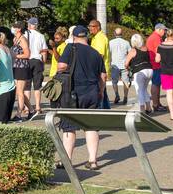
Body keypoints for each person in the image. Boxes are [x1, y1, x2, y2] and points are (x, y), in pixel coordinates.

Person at [55, 25, 108, 168]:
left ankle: (67, 160)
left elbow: (61, 65)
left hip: (73, 92)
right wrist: (101, 91)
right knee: (91, 126)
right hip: (92, 92)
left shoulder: (71, 48)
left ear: (73, 36)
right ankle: (92, 160)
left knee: (69, 126)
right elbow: (103, 75)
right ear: (86, 37)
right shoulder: (95, 53)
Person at [9, 22, 32, 120]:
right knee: (19, 91)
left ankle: (19, 115)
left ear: (18, 29)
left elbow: (27, 54)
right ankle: (32, 110)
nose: (12, 28)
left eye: (14, 27)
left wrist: (15, 56)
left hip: (22, 67)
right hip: (16, 66)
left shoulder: (23, 39)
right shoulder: (15, 39)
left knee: (19, 91)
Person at [87, 19, 112, 109]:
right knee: (102, 92)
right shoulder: (95, 37)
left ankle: (101, 113)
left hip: (100, 70)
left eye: (92, 26)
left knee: (99, 93)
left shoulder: (100, 38)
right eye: (89, 26)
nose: (89, 28)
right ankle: (107, 111)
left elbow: (99, 55)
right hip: (99, 70)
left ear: (98, 27)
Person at [25, 17, 47, 116]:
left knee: (27, 85)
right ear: (36, 25)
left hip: (26, 60)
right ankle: (38, 106)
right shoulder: (41, 36)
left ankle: (26, 107)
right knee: (37, 85)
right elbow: (44, 51)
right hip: (37, 60)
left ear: (29, 25)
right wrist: (44, 62)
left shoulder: (24, 35)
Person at [127, 33, 154, 110]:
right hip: (149, 70)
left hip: (140, 71)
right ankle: (148, 107)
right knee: (144, 89)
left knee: (139, 90)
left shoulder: (133, 50)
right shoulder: (146, 48)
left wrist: (127, 68)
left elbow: (126, 63)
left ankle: (142, 109)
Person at [109, 27, 131, 105]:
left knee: (114, 82)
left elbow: (109, 53)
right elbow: (130, 53)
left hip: (115, 65)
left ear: (114, 33)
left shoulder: (110, 42)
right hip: (124, 65)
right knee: (126, 82)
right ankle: (125, 97)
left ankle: (117, 95)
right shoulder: (126, 42)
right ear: (122, 34)